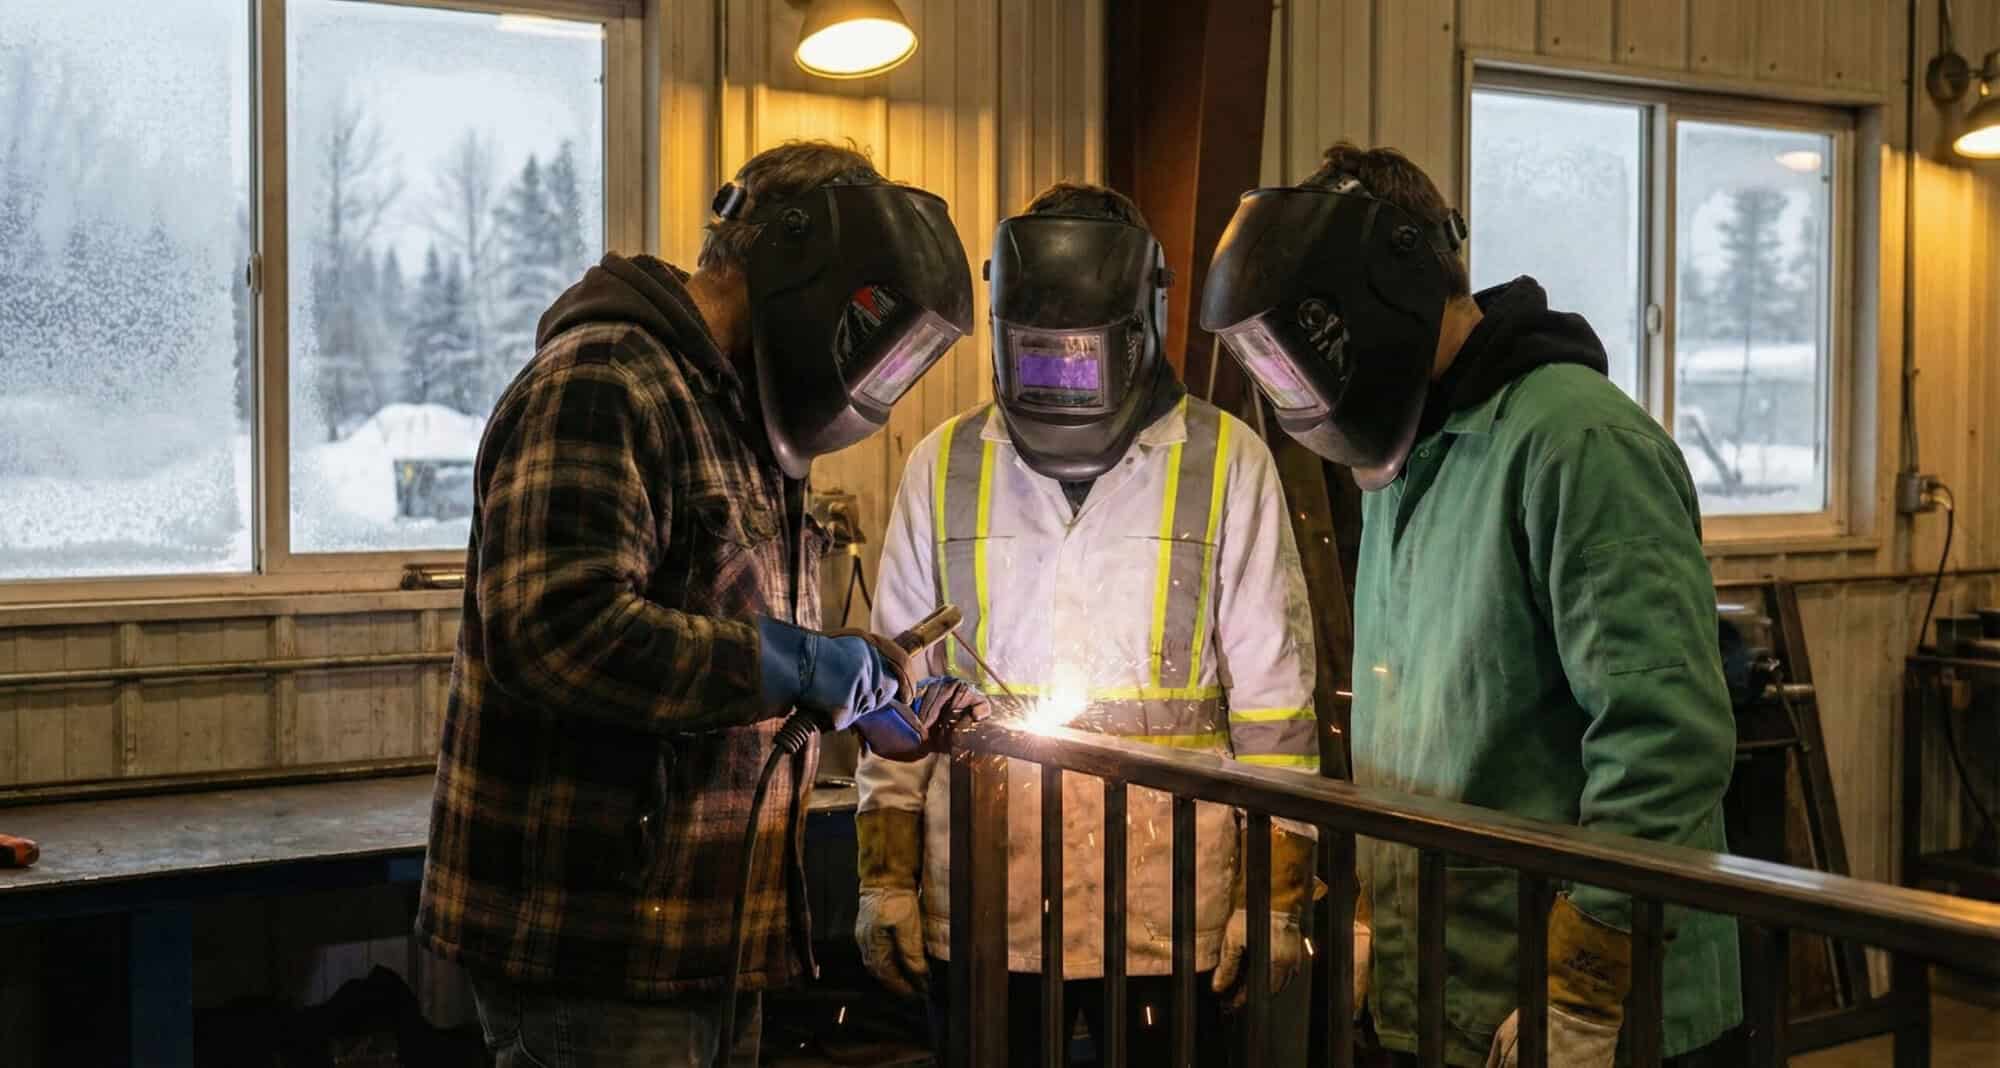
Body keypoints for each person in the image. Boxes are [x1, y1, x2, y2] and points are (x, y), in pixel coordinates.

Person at [415, 140, 976, 1068]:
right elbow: (555, 633)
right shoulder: (606, 381)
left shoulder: (737, 413)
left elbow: (720, 631)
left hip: (703, 943)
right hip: (598, 946)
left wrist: (860, 689)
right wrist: (797, 663)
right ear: (801, 268)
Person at [1199, 143, 1743, 1067]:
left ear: (1388, 290)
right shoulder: (1405, 458)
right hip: (1450, 995)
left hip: (1594, 1016)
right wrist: (1378, 911)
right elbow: (1417, 724)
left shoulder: (1576, 443)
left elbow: (1664, 738)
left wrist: (1583, 985)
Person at [854, 182, 1323, 1066]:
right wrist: (886, 876)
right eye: (1039, 358)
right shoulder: (943, 465)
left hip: (1170, 910)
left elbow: (1277, 706)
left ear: (1139, 326)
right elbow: (896, 698)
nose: (1061, 384)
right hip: (989, 905)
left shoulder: (1228, 463)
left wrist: (1276, 896)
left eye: (1079, 360)